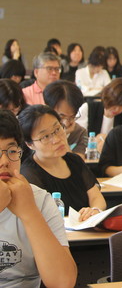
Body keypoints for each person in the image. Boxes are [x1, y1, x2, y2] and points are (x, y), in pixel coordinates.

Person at [0, 110, 77, 287]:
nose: (4, 161)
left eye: (12, 151)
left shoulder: (39, 200)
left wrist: (29, 213)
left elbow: (63, 283)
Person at [19, 105, 106, 221]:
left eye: (57, 130)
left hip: (87, 227)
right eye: (45, 137)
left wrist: (94, 210)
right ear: (30, 144)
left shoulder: (74, 161)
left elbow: (96, 197)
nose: (56, 139)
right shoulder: (29, 174)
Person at [76, 78, 122, 151]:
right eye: (115, 103)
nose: (117, 109)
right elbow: (76, 140)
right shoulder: (88, 109)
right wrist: (93, 142)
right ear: (108, 96)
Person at [43, 81, 88, 159]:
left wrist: (62, 135)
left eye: (72, 117)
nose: (66, 123)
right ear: (47, 108)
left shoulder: (80, 133)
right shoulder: (38, 131)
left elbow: (77, 163)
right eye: (61, 117)